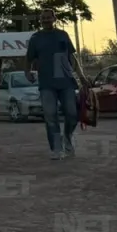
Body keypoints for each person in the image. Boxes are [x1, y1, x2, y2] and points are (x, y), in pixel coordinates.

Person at [26, 8, 79, 160]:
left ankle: (67, 138)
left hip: (66, 81)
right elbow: (28, 58)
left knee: (72, 114)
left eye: (49, 17)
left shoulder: (62, 35)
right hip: (46, 83)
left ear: (54, 18)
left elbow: (72, 57)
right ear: (40, 20)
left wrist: (81, 75)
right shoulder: (36, 38)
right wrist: (27, 72)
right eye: (43, 18)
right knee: (50, 116)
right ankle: (56, 148)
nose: (46, 20)